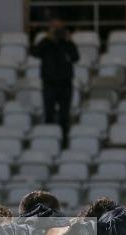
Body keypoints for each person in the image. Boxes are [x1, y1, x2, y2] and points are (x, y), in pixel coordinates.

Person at [29, 18, 78, 146]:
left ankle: (64, 143)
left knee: (64, 116)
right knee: (49, 114)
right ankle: (49, 142)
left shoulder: (67, 43)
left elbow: (75, 57)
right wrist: (47, 38)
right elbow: (34, 52)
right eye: (54, 28)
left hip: (65, 85)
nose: (57, 31)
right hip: (49, 84)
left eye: (59, 28)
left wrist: (68, 40)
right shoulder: (46, 43)